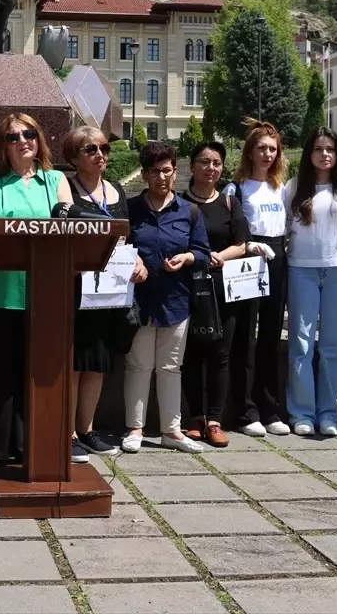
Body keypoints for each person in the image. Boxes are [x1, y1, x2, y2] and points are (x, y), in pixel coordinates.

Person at [0, 114, 73, 466]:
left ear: (39, 140)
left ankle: (30, 447)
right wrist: (0, 247)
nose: (23, 140)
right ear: (4, 146)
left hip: (42, 294)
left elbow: (68, 226)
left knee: (36, 373)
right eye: (14, 137)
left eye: (30, 133)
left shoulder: (55, 181)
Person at [122, 142, 211, 454]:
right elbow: (117, 245)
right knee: (139, 364)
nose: (162, 177)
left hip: (176, 300)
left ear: (175, 172)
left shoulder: (189, 211)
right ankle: (135, 428)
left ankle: (171, 431)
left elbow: (203, 253)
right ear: (145, 175)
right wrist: (132, 261)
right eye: (155, 171)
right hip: (140, 301)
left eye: (167, 170)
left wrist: (187, 257)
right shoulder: (131, 209)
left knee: (171, 367)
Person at [65, 127, 145, 461]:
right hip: (76, 290)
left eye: (105, 148)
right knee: (74, 365)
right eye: (91, 149)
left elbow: (126, 237)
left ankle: (87, 429)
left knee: (96, 365)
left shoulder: (114, 191)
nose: (101, 154)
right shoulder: (67, 188)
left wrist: (137, 261)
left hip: (109, 293)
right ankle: (66, 432)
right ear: (73, 157)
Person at [281, 128, 337, 437]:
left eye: (330, 148)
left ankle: (328, 412)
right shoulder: (293, 188)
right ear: (309, 153)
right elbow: (284, 231)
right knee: (300, 344)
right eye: (318, 148)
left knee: (332, 347)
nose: (325, 154)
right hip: (301, 270)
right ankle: (300, 412)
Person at [182, 141, 254, 448]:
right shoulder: (180, 202)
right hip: (189, 287)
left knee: (221, 353)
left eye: (216, 163)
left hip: (224, 287)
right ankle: (195, 418)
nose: (210, 168)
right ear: (192, 165)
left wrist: (218, 256)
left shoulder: (228, 203)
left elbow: (242, 243)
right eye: (204, 162)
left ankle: (214, 419)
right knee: (191, 354)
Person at [223, 121, 289, 437]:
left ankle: (270, 407)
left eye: (272, 149)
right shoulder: (236, 189)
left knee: (271, 336)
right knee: (245, 336)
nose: (266, 154)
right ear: (250, 151)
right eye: (261, 148)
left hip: (277, 257)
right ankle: (245, 411)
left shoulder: (281, 188)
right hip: (249, 258)